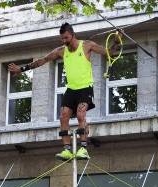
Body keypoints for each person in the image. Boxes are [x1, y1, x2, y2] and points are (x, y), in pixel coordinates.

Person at [7, 22, 119, 161]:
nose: (64, 41)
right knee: (63, 116)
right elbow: (43, 60)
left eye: (66, 38)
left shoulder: (87, 45)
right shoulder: (61, 50)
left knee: (80, 115)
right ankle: (66, 150)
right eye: (62, 39)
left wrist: (117, 41)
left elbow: (109, 52)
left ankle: (83, 149)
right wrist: (21, 69)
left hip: (85, 87)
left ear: (73, 35)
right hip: (71, 88)